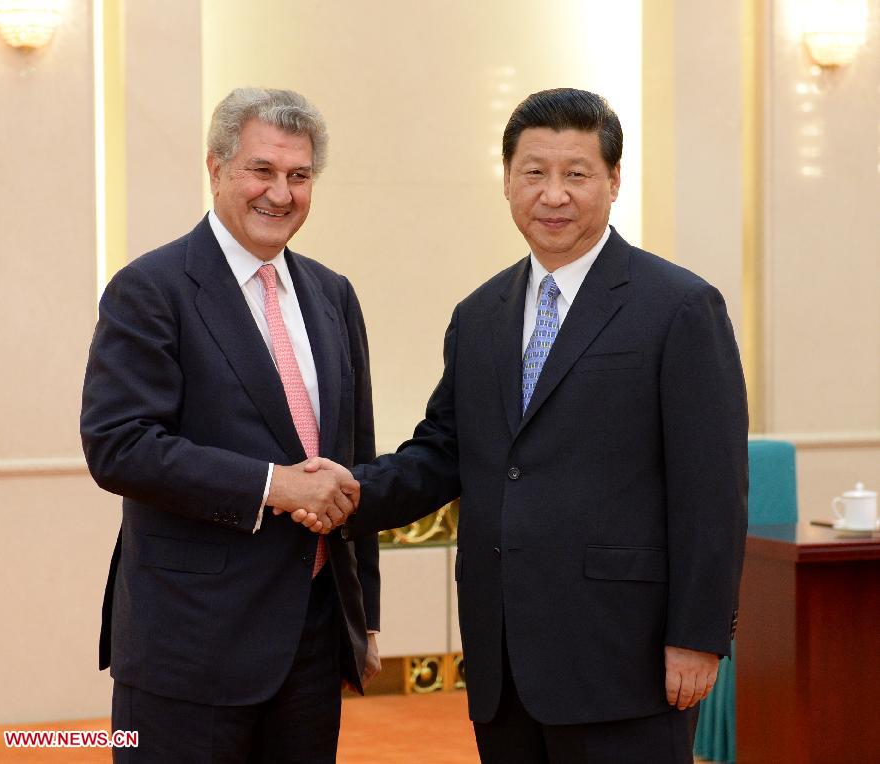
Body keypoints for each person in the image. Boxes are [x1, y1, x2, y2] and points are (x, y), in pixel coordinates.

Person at [302, 88, 748, 763]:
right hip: (503, 660)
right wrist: (354, 493)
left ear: (614, 180)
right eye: (534, 172)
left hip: (623, 657)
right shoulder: (479, 314)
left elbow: (712, 487)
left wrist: (698, 633)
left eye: (577, 173)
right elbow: (444, 451)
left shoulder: (679, 306)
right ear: (507, 180)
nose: (553, 194)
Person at [81, 87, 380, 763]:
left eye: (299, 176)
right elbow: (118, 445)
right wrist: (275, 487)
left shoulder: (333, 295)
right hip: (188, 646)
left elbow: (354, 456)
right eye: (262, 170)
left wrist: (365, 620)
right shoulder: (151, 288)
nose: (281, 193)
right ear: (216, 170)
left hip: (311, 637)